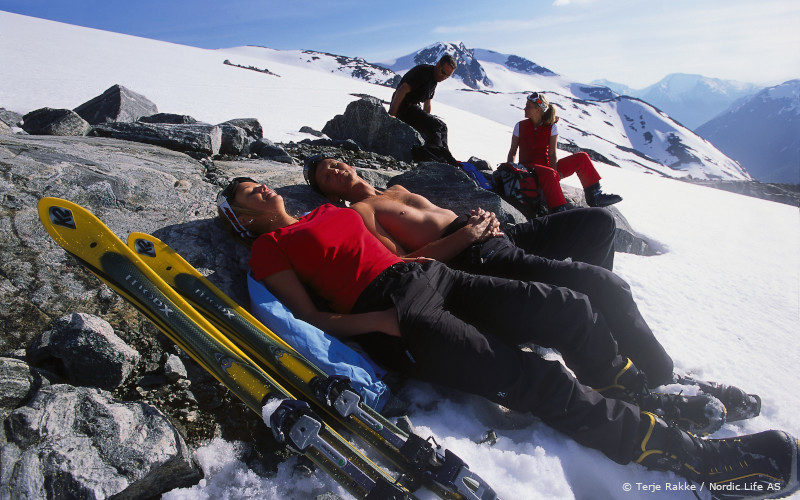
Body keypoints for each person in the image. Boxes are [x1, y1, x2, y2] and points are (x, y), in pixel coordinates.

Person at [215, 177, 800, 497]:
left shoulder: (330, 213)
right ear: (244, 219)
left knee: (569, 308)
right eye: (248, 195)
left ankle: (644, 395)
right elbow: (310, 319)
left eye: (260, 184)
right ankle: (695, 461)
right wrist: (375, 325)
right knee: (534, 379)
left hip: (429, 274)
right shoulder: (269, 250)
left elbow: (401, 252)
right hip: (393, 314)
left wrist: (459, 242)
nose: (263, 190)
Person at [305, 154, 762, 422]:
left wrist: (482, 219)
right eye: (327, 174)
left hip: (497, 235)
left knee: (598, 223)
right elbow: (403, 264)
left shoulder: (396, 185)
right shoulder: (360, 214)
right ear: (329, 193)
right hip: (475, 257)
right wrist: (467, 237)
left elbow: (438, 218)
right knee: (604, 286)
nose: (337, 169)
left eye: (336, 162)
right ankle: (662, 380)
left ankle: (593, 332)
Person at [507, 92, 622, 212]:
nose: (525, 108)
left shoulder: (551, 127)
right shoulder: (519, 126)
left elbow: (552, 154)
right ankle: (559, 210)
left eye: (528, 106)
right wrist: (511, 171)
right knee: (550, 174)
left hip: (548, 168)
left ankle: (594, 196)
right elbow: (513, 151)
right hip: (528, 170)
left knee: (582, 157)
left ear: (538, 110)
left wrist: (555, 172)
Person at [388, 54, 458, 164]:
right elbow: (402, 90)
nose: (443, 77)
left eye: (447, 76)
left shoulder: (434, 80)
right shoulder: (424, 72)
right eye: (443, 72)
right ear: (438, 64)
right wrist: (391, 116)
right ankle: (435, 158)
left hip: (413, 109)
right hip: (404, 108)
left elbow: (427, 103)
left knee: (442, 126)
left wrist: (427, 120)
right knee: (436, 126)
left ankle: (444, 157)